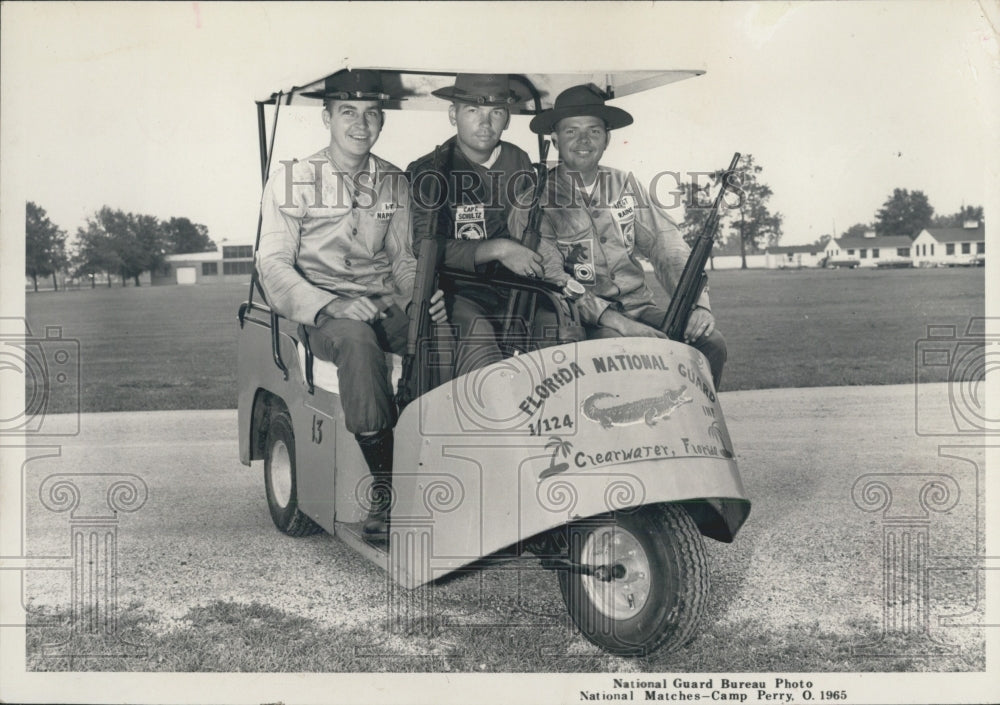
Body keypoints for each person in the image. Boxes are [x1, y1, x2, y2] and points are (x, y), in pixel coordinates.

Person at [256, 69, 447, 542]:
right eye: (348, 113)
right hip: (320, 311)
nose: (361, 124)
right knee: (359, 345)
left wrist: (420, 297)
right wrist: (332, 305)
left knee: (444, 335)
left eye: (371, 114)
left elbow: (402, 259)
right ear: (326, 118)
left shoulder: (393, 181)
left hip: (382, 301)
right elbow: (273, 265)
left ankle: (437, 460)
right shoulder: (296, 179)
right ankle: (386, 486)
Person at [515, 84, 727, 388]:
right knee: (621, 354)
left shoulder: (625, 184)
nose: (583, 141)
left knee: (711, 344)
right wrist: (618, 323)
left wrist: (698, 306)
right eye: (571, 131)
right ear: (555, 139)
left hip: (639, 308)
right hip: (584, 319)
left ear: (607, 138)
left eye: (594, 131)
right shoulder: (533, 203)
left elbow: (667, 246)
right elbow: (553, 278)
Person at [407, 73, 542, 376]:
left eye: (496, 112)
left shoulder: (519, 161)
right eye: (473, 111)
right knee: (479, 337)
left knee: (560, 329)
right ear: (453, 115)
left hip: (519, 289)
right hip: (459, 292)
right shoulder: (430, 170)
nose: (486, 123)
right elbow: (423, 246)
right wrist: (497, 249)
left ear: (507, 118)